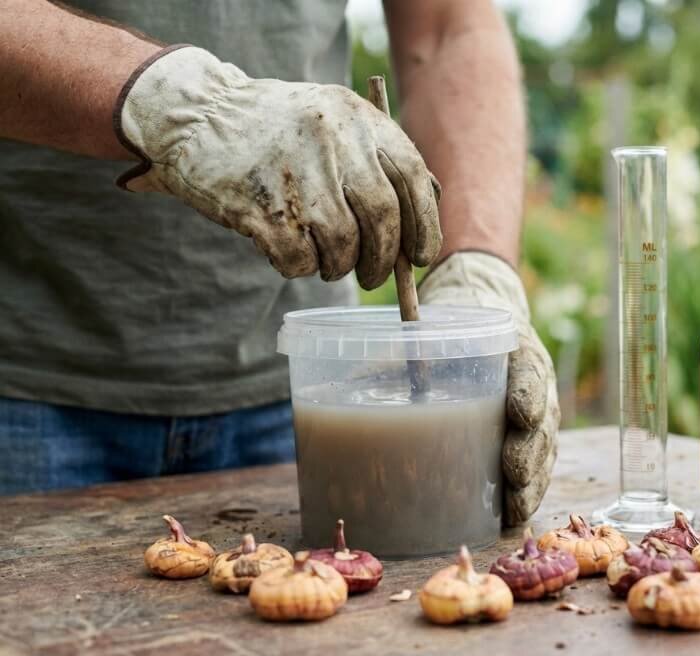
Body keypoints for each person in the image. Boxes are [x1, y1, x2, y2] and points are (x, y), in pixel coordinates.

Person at [0, 0, 558, 525]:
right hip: (25, 380)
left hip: (305, 394)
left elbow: (447, 29)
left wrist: (477, 275)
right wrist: (179, 105)